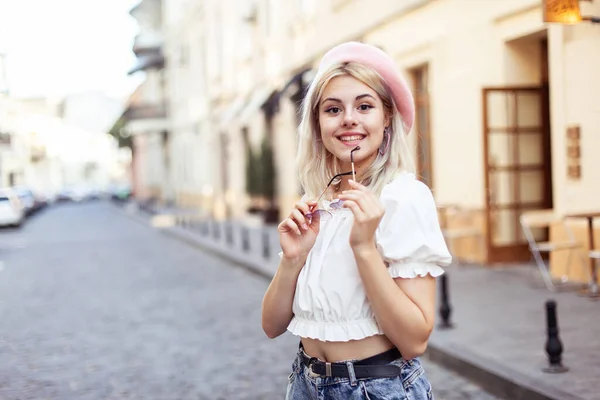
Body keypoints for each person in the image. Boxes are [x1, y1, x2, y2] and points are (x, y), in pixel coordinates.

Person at [261, 41, 452, 400]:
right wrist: (292, 259)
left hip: (374, 388)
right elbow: (271, 326)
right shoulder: (315, 201)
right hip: (304, 383)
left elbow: (414, 340)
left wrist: (364, 246)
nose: (349, 118)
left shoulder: (403, 197)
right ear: (317, 124)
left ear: (387, 118)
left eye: (365, 106)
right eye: (333, 109)